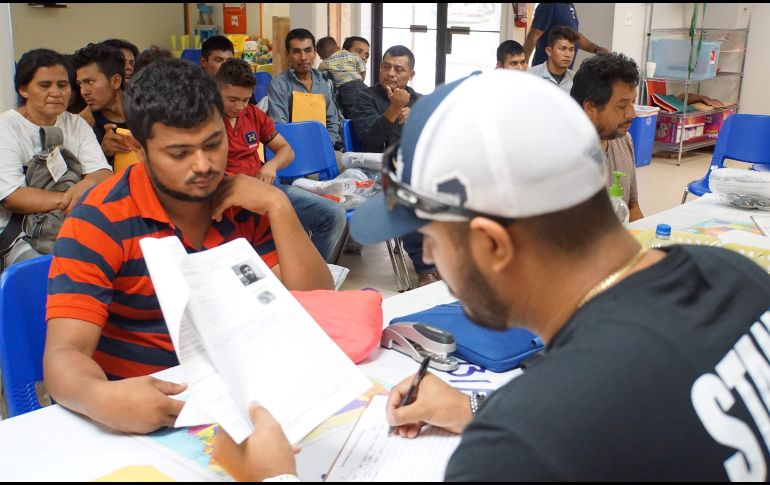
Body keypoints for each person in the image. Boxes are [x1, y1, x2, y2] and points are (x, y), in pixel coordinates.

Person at [211, 69, 770, 481]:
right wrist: (475, 409)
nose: (432, 264)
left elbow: (566, 430)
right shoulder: (732, 275)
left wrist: (275, 477)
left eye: (431, 242)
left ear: (491, 244)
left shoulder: (519, 449)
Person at [43, 59, 333, 435]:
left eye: (213, 144)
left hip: (239, 396)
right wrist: (98, 396)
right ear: (140, 149)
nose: (204, 165)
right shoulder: (99, 220)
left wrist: (279, 206)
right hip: (143, 411)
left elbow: (317, 304)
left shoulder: (244, 201)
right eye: (179, 153)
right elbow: (64, 354)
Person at [216, 59, 346, 262]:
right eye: (232, 99)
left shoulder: (253, 115)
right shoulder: (206, 120)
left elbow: (287, 151)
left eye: (245, 99)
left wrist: (271, 165)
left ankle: (311, 273)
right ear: (217, 91)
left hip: (265, 190)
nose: (240, 106)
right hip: (230, 198)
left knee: (333, 215)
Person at [0, 49, 112, 269]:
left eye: (62, 85)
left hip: (74, 221)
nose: (56, 92)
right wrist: (69, 199)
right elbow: (13, 197)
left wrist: (83, 187)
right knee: (47, 270)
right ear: (23, 89)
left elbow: (103, 174)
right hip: (19, 232)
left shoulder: (76, 124)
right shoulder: (6, 127)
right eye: (45, 85)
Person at [351, 44, 438, 286]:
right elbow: (370, 138)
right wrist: (394, 110)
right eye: (386, 67)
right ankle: (426, 269)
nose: (390, 73)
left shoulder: (420, 101)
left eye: (398, 69)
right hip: (374, 173)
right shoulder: (365, 96)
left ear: (411, 75)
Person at [571, 53, 644, 221]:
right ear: (591, 107)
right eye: (622, 106)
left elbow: (632, 207)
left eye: (633, 102)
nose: (632, 113)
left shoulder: (623, 139)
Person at [267, 29, 341, 149]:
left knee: (349, 160)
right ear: (287, 54)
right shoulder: (279, 84)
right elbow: (280, 125)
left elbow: (332, 120)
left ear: (315, 53)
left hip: (323, 147)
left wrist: (327, 144)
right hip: (291, 149)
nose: (303, 57)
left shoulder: (323, 81)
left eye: (308, 50)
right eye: (296, 52)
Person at [72, 43, 129, 167]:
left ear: (116, 81)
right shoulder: (81, 126)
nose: (83, 92)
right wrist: (102, 152)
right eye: (80, 84)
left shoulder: (148, 110)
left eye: (89, 82)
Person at [524, 3, 609, 68]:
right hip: (545, 73)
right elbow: (533, 36)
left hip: (564, 74)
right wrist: (523, 64)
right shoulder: (549, 5)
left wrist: (596, 49)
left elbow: (574, 36)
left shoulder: (569, 6)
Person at [317, 36, 368, 119]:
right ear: (339, 48)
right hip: (361, 85)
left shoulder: (324, 63)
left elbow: (318, 73)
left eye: (367, 56)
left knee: (351, 112)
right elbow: (362, 66)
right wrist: (361, 78)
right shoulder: (350, 55)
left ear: (321, 57)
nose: (363, 57)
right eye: (358, 51)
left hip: (346, 88)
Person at [527, 26, 577, 93]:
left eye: (571, 50)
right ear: (549, 51)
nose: (568, 54)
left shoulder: (576, 79)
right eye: (563, 49)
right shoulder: (531, 76)